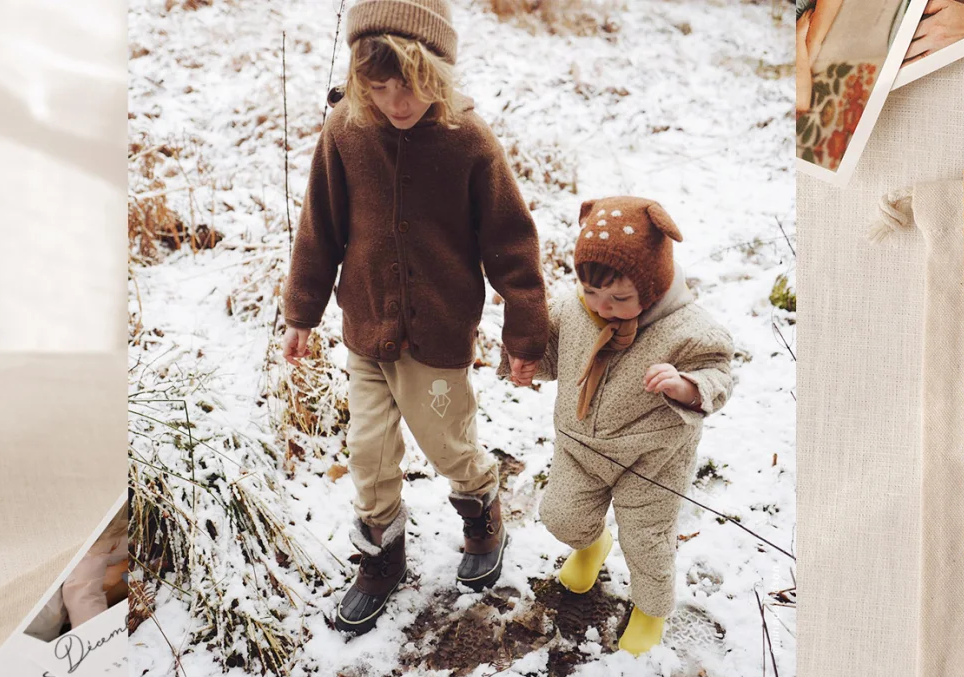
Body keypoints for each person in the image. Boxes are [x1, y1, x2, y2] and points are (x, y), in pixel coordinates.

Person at [279, 0, 551, 635]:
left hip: (436, 338)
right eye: (378, 88)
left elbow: (511, 243)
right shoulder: (346, 131)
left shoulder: (469, 143)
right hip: (367, 329)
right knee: (368, 452)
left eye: (411, 87)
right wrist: (301, 311)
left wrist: (525, 332)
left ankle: (482, 510)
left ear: (441, 74)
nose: (396, 103)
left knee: (446, 442)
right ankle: (381, 556)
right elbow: (320, 226)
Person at [509, 196, 736, 656]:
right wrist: (527, 359)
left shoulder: (687, 328)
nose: (602, 307)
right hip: (580, 446)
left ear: (652, 284)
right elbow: (552, 350)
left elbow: (718, 372)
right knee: (561, 515)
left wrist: (686, 385)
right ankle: (592, 545)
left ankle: (651, 610)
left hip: (652, 459)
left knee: (647, 541)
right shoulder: (575, 310)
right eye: (592, 293)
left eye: (619, 299)